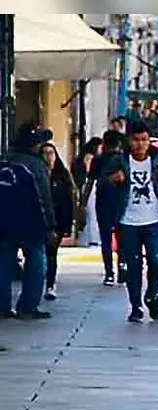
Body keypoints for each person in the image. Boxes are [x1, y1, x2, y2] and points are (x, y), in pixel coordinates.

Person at [99, 121, 158, 322]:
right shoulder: (120, 160)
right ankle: (136, 306)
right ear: (129, 141)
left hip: (154, 220)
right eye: (136, 140)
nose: (140, 144)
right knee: (133, 265)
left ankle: (152, 295)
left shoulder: (156, 158)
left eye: (144, 140)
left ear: (149, 141)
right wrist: (114, 179)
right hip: (128, 222)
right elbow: (102, 181)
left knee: (157, 261)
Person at [0, 124, 58, 320]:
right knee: (36, 263)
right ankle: (28, 306)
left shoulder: (6, 161)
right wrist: (50, 226)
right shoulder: (36, 166)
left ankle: (2, 307)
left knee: (4, 264)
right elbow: (44, 198)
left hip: (4, 223)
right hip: (31, 224)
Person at [84, 130, 128, 285]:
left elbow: (90, 182)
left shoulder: (98, 160)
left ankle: (109, 273)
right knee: (122, 239)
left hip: (103, 202)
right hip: (122, 202)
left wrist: (83, 202)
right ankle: (122, 269)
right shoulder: (124, 160)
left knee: (106, 239)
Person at [39, 143, 79, 301]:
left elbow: (68, 202)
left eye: (51, 153)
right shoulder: (37, 175)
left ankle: (50, 284)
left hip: (56, 222)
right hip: (38, 221)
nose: (48, 157)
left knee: (51, 254)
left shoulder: (62, 176)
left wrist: (66, 227)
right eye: (45, 153)